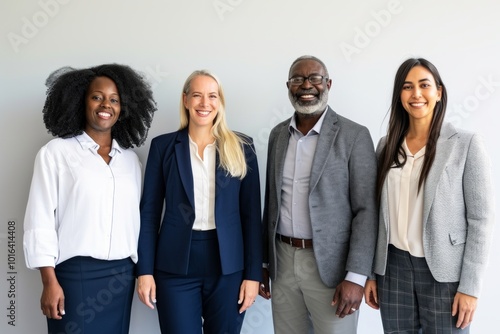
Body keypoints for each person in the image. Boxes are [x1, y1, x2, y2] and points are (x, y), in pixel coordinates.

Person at [364, 58, 495, 333]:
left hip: (444, 274)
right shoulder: (386, 146)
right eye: (407, 87)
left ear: (439, 92)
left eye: (424, 85)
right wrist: (371, 274)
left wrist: (470, 288)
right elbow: (374, 214)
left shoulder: (466, 144)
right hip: (393, 270)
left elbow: (481, 220)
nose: (416, 94)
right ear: (400, 96)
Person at [23, 64, 157, 333]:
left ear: (124, 108)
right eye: (97, 97)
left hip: (121, 277)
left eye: (114, 99)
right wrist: (49, 282)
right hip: (74, 275)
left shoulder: (131, 162)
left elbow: (137, 221)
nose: (105, 104)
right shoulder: (56, 153)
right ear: (81, 101)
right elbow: (39, 221)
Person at [136, 70, 262, 333]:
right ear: (185, 100)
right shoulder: (163, 147)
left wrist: (253, 275)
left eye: (212, 96)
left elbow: (251, 218)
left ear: (220, 102)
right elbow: (149, 214)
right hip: (174, 266)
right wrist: (144, 271)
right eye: (197, 95)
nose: (205, 103)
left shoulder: (242, 147)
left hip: (228, 267)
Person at [259, 55, 378, 334]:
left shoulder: (354, 135)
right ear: (288, 86)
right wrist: (263, 262)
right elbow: (271, 203)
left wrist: (357, 276)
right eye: (298, 79)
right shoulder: (278, 135)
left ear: (328, 84)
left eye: (315, 78)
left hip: (333, 270)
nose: (306, 85)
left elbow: (367, 211)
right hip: (283, 262)